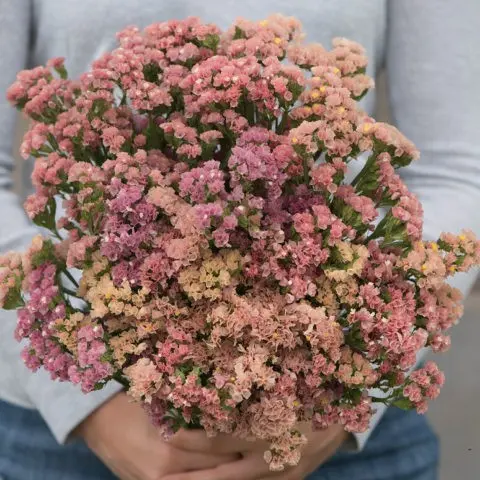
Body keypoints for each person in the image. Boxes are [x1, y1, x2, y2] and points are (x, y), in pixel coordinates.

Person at [0, 1, 479, 479]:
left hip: (341, 436)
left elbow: (460, 170)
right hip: (67, 434)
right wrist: (87, 405)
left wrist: (352, 386)